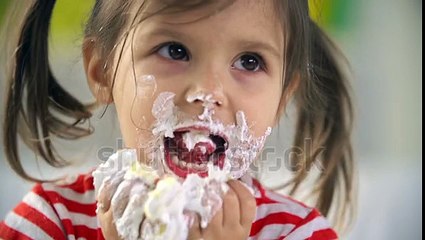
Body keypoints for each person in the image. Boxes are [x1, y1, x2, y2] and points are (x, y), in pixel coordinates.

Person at [0, 0, 355, 239]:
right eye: (175, 51)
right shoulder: (50, 220)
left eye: (249, 61)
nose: (207, 91)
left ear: (282, 98)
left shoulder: (297, 232)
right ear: (103, 71)